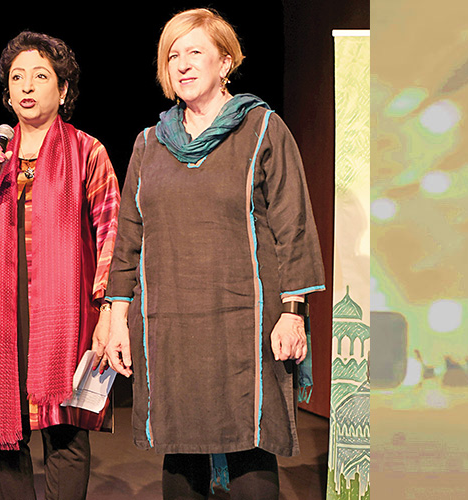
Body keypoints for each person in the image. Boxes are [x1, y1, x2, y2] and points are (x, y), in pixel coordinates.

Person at [104, 8, 325, 499]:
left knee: (249, 444)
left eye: (194, 52)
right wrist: (117, 318)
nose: (182, 64)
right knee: (180, 448)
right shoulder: (149, 144)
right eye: (172, 55)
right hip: (169, 325)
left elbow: (293, 227)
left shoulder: (262, 129)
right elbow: (129, 237)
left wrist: (293, 314)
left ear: (225, 63)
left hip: (245, 324)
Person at [0, 31, 120, 500]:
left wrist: (109, 309)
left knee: (64, 431)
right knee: (1, 434)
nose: (26, 86)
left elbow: (112, 233)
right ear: (7, 93)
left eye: (40, 76)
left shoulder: (87, 151)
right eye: (17, 77)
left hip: (64, 312)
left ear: (63, 90)